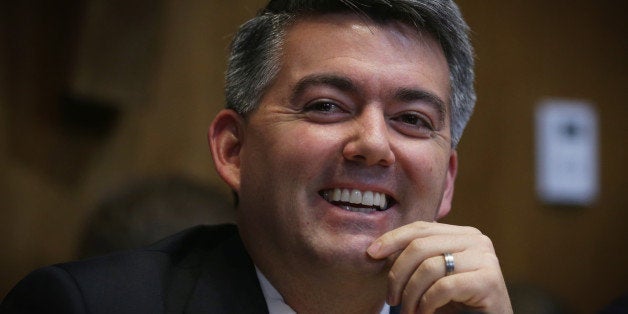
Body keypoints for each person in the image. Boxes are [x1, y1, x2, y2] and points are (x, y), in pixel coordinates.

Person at [0, 0, 513, 313]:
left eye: (413, 119)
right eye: (327, 106)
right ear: (233, 150)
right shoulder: (81, 307)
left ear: (446, 181)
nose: (374, 144)